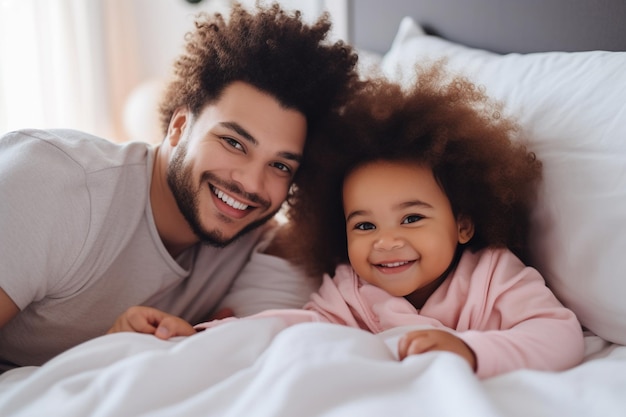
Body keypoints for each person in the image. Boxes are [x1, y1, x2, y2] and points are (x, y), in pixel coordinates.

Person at [111, 65, 585, 379]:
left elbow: (558, 334)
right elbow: (295, 325)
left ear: (463, 223)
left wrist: (471, 353)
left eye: (413, 217)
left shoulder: (493, 276)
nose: (387, 242)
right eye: (364, 226)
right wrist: (194, 334)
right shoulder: (351, 289)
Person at [0, 2, 361, 373]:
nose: (251, 184)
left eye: (280, 165)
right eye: (234, 143)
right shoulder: (54, 182)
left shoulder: (261, 247)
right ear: (178, 127)